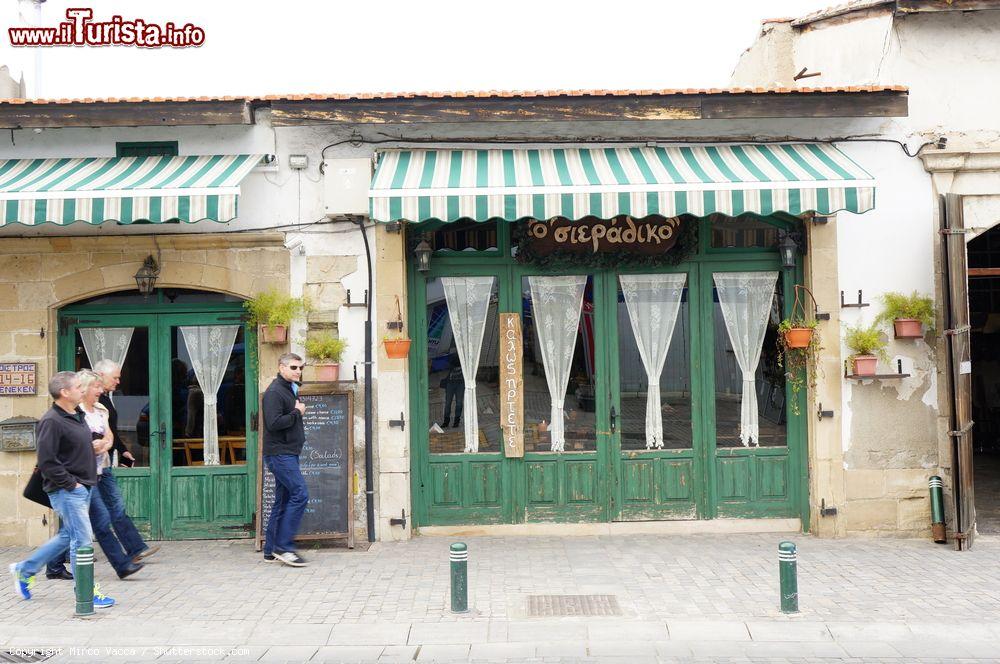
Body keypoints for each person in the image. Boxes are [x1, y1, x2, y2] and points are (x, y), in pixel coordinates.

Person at [9, 372, 115, 608]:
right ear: (65, 393)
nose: (82, 390)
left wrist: (93, 447)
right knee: (83, 540)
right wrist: (71, 484)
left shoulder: (76, 415)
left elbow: (70, 448)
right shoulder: (51, 421)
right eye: (78, 387)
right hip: (68, 490)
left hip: (84, 487)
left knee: (69, 536)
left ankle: (24, 570)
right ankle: (86, 593)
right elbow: (47, 460)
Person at [45, 370, 145, 581]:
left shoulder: (97, 410)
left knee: (75, 531)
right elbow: (52, 457)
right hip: (78, 479)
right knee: (87, 530)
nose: (100, 390)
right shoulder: (61, 417)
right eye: (93, 387)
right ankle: (89, 587)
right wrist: (73, 484)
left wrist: (105, 444)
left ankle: (36, 567)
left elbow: (109, 435)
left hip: (97, 472)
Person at [93, 360, 160, 564]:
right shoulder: (91, 403)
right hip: (90, 466)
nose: (119, 381)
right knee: (90, 511)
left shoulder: (104, 399)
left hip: (102, 464)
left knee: (114, 506)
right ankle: (59, 557)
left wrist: (122, 451)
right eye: (115, 377)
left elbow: (109, 431)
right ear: (101, 375)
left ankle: (135, 549)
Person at [261, 353, 309, 567]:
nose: (298, 371)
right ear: (281, 367)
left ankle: (271, 549)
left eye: (300, 367)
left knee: (282, 501)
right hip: (280, 454)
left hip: (287, 452)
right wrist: (297, 413)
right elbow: (273, 423)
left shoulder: (289, 388)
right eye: (293, 367)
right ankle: (284, 547)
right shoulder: (274, 392)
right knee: (300, 494)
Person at [441, 354, 464, 428]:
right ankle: (446, 421)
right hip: (450, 384)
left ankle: (456, 421)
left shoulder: (463, 355)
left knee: (459, 403)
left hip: (460, 383)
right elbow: (445, 368)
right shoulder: (451, 356)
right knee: (448, 403)